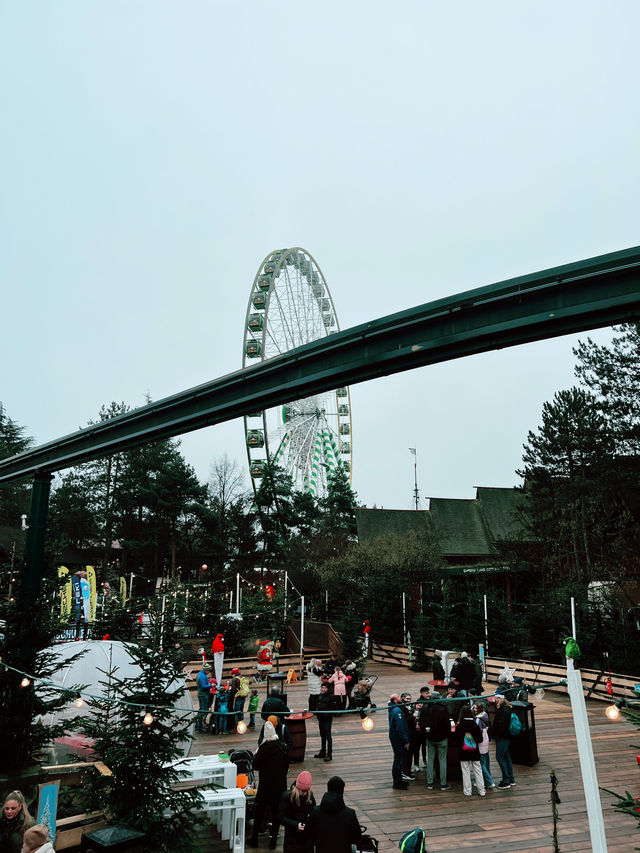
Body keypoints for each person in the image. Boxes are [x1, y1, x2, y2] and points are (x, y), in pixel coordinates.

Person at [247, 721, 290, 848]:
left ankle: (254, 838)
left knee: (260, 811)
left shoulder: (262, 749)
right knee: (277, 812)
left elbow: (255, 766)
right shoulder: (282, 748)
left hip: (266, 785)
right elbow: (286, 766)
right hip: (280, 785)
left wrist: (256, 755)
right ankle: (273, 841)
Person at [306, 776, 362, 853]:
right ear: (342, 791)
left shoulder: (316, 811)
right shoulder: (349, 813)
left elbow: (308, 833)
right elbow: (357, 836)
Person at [418, 690, 451, 791]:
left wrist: (425, 734)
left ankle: (430, 783)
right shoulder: (443, 709)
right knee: (442, 760)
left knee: (430, 760)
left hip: (430, 737)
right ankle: (443, 784)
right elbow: (447, 725)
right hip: (442, 738)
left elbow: (421, 722)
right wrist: (446, 734)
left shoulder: (424, 708)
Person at [277, 771, 316, 853]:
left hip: (306, 839)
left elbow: (314, 815)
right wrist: (296, 825)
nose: (305, 793)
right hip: (292, 839)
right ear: (297, 788)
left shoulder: (310, 797)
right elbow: (281, 818)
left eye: (307, 791)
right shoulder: (287, 797)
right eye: (303, 791)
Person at [455, 706, 485, 797]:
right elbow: (480, 739)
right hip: (474, 751)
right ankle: (482, 790)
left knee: (465, 771)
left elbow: (456, 740)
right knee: (478, 770)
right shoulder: (474, 725)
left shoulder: (460, 726)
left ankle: (468, 791)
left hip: (464, 752)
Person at [491, 695, 516, 789]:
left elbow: (501, 726)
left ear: (502, 699)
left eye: (497, 698)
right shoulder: (507, 708)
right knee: (506, 757)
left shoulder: (503, 710)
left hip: (502, 737)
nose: (495, 700)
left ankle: (506, 781)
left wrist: (494, 733)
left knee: (499, 757)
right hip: (506, 736)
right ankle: (511, 779)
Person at [388, 693, 410, 790]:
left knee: (398, 759)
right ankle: (397, 783)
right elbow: (400, 727)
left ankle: (398, 780)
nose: (400, 698)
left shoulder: (392, 708)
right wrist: (406, 740)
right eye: (398, 697)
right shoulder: (397, 711)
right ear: (395, 700)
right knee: (399, 760)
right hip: (398, 739)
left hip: (395, 737)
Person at [473, 702, 495, 790]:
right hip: (486, 740)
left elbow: (478, 733)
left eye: (475, 708)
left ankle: (489, 782)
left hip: (481, 742)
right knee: (486, 761)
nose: (474, 710)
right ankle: (485, 781)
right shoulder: (485, 715)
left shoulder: (478, 720)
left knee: (481, 763)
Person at [314, 682, 336, 762]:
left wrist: (326, 714)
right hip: (321, 718)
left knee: (328, 736)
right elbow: (317, 705)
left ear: (327, 688)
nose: (323, 689)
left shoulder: (331, 697)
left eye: (325, 688)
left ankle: (329, 753)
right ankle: (323, 751)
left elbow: (333, 708)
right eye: (322, 687)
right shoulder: (320, 696)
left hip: (327, 719)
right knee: (322, 735)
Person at [400, 692, 420, 779]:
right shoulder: (402, 708)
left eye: (410, 699)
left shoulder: (410, 707)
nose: (409, 700)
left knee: (410, 753)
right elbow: (405, 721)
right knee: (407, 754)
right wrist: (413, 716)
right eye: (407, 699)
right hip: (408, 734)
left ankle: (406, 770)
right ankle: (405, 772)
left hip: (412, 733)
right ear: (403, 699)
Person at [195, 662, 213, 733]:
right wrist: (212, 685)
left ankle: (198, 725)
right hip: (203, 695)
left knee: (201, 709)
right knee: (203, 710)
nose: (209, 672)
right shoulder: (202, 676)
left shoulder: (201, 674)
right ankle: (199, 727)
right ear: (206, 670)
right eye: (208, 670)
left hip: (201, 694)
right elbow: (203, 686)